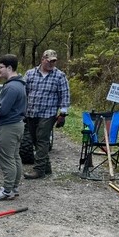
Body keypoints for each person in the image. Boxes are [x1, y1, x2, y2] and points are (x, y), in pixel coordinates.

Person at [0, 54, 27, 200]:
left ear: (9, 67)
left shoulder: (12, 87)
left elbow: (2, 110)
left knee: (7, 158)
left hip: (8, 126)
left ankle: (7, 190)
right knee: (14, 157)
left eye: (0, 67)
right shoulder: (19, 84)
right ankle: (13, 187)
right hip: (17, 125)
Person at [23, 49, 70, 179]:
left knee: (42, 139)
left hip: (48, 113)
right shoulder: (30, 73)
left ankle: (39, 170)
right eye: (49, 61)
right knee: (34, 140)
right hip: (31, 112)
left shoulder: (60, 76)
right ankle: (46, 166)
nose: (51, 63)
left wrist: (63, 114)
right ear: (43, 59)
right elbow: (23, 92)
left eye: (54, 61)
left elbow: (64, 95)